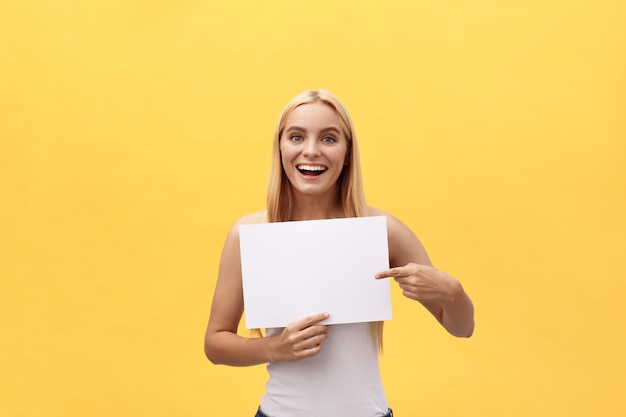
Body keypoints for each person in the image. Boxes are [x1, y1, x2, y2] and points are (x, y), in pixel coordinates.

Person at [204, 89, 475, 417]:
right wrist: (275, 347)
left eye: (329, 139)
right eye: (296, 137)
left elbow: (461, 327)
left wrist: (452, 292)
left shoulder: (382, 229)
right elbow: (215, 344)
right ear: (280, 147)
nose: (311, 151)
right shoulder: (248, 234)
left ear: (347, 153)